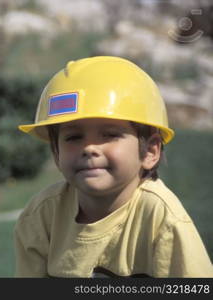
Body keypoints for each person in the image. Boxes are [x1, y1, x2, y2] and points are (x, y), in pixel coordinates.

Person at [15, 56, 213, 277]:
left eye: (109, 135)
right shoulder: (41, 216)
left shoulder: (161, 218)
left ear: (150, 151)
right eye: (73, 137)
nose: (89, 148)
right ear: (55, 152)